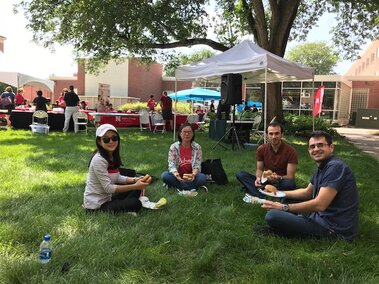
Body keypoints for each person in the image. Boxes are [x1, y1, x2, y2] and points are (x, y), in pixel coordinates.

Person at [256, 131, 359, 240]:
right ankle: (285, 226)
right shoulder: (322, 166)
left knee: (272, 216)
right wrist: (277, 193)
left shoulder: (335, 167)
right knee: (285, 200)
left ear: (331, 147)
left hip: (333, 228)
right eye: (312, 146)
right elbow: (307, 193)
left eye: (320, 145)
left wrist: (283, 208)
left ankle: (282, 229)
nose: (316, 149)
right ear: (309, 150)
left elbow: (320, 205)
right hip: (320, 216)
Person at [83, 124, 167, 213]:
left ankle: (129, 204)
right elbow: (108, 188)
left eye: (114, 138)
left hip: (108, 198)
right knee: (136, 203)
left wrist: (136, 180)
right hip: (97, 206)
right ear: (99, 142)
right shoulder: (98, 160)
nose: (111, 141)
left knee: (136, 189)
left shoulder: (111, 156)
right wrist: (135, 185)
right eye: (106, 139)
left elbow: (118, 177)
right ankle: (133, 204)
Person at [236, 122, 298, 199]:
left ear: (282, 134)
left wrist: (277, 177)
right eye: (271, 134)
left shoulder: (291, 151)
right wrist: (258, 178)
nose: (274, 137)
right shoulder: (261, 149)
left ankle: (260, 192)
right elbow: (259, 169)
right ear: (267, 135)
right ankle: (267, 193)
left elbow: (290, 176)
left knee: (290, 184)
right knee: (241, 174)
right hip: (265, 180)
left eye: (277, 133)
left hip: (281, 180)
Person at [161, 123, 207, 193]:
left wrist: (193, 175)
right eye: (184, 132)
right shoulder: (174, 147)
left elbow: (197, 164)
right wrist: (176, 175)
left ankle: (179, 187)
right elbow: (171, 164)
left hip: (191, 176)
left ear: (193, 134)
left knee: (202, 177)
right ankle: (190, 187)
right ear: (180, 133)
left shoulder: (197, 147)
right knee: (165, 175)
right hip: (178, 175)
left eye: (189, 132)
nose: (187, 134)